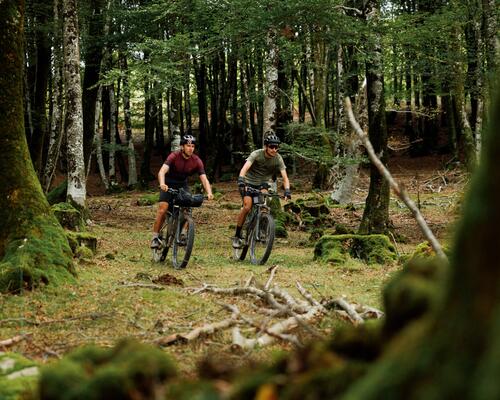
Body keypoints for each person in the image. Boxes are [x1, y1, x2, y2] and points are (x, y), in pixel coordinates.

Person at [151, 134, 213, 248]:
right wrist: (162, 183)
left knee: (188, 208)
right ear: (182, 147)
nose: (190, 148)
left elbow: (204, 178)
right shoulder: (174, 156)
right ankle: (155, 237)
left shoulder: (196, 160)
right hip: (168, 184)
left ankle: (183, 234)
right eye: (188, 146)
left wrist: (209, 192)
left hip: (182, 185)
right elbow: (161, 172)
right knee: (163, 209)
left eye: (193, 146)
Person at [232, 134, 291, 248]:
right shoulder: (257, 154)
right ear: (266, 147)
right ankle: (237, 235)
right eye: (271, 147)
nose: (274, 149)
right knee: (247, 207)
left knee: (263, 205)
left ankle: (261, 227)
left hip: (262, 183)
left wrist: (287, 190)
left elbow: (285, 177)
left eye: (276, 147)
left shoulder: (278, 158)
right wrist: (241, 180)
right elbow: (245, 168)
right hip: (248, 182)